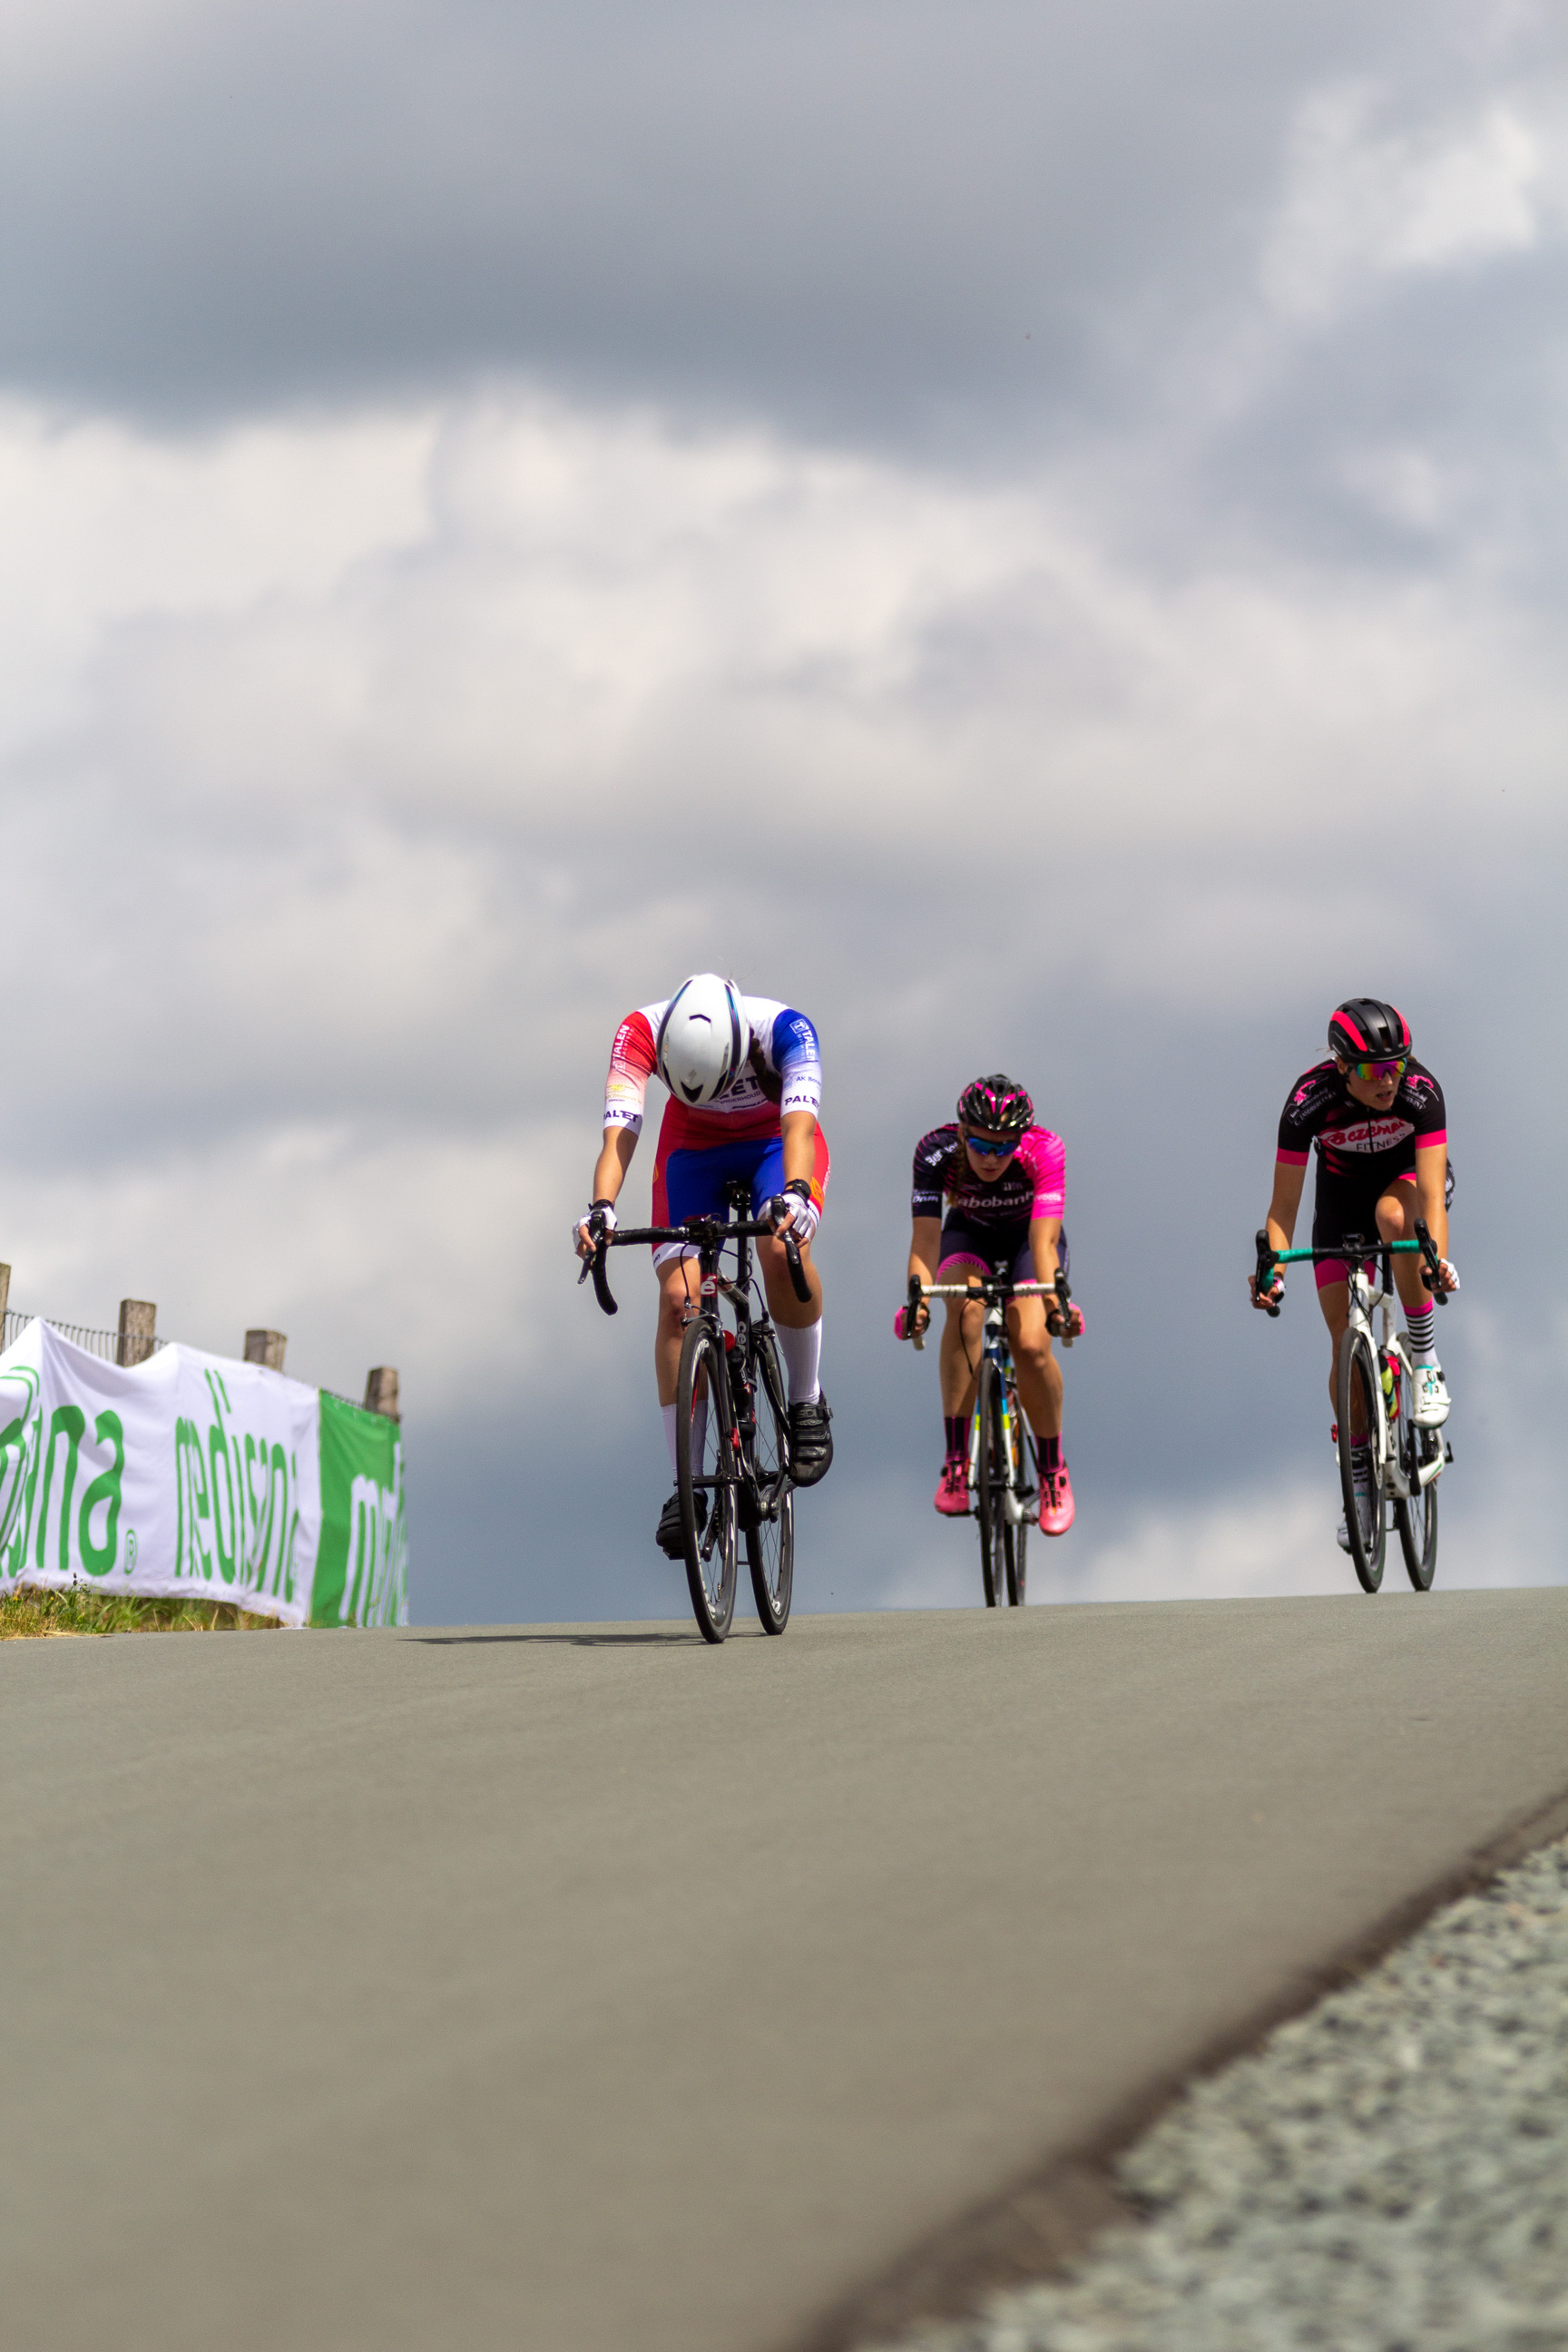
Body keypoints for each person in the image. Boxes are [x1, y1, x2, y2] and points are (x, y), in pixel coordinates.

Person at [573, 975, 832, 1557]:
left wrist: (793, 1194)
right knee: (676, 1300)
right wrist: (601, 1208)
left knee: (776, 1245)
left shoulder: (786, 1031)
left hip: (774, 1142)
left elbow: (798, 1127)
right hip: (692, 1146)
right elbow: (620, 1133)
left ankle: (806, 1397)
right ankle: (686, 1485)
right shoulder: (639, 1031)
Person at [1250, 998, 1459, 1552]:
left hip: (1405, 1187)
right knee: (1344, 1340)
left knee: (1395, 1218)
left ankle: (1425, 1357)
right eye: (1373, 1070)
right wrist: (1273, 1272)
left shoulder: (1420, 1090)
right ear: (1342, 1067)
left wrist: (1435, 1259)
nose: (1389, 1080)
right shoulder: (1306, 1103)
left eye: (1397, 1065)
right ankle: (1358, 1478)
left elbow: (1433, 1196)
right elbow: (1282, 1211)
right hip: (1338, 1205)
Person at [901, 1074, 1080, 1537]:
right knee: (965, 1311)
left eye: (1004, 1148)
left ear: (1020, 1141)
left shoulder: (1046, 1150)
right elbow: (925, 1239)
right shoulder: (934, 1151)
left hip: (1027, 1241)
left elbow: (1043, 1243)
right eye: (981, 1145)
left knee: (1031, 1343)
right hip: (969, 1233)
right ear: (962, 1132)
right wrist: (917, 1300)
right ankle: (957, 1461)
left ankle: (1052, 1471)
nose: (991, 1158)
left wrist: (1056, 1304)